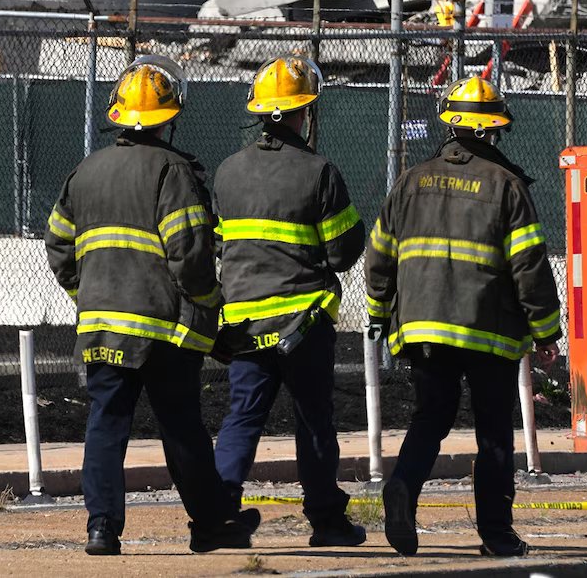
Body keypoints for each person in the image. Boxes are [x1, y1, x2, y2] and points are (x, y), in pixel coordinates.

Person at [45, 54, 259, 557]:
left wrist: (89, 295)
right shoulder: (173, 171)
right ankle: (209, 525)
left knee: (106, 425)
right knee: (181, 427)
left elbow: (58, 246)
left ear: (119, 114)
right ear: (169, 117)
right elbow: (189, 254)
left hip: (100, 328)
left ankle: (101, 529)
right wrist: (210, 311)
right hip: (163, 331)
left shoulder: (86, 170)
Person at [364, 75, 563, 558]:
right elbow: (529, 265)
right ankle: (496, 534)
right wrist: (546, 331)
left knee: (430, 417)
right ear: (494, 130)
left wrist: (377, 312)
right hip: (487, 329)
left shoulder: (411, 180)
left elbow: (379, 255)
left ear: (451, 125)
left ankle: (402, 488)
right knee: (493, 431)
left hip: (422, 327)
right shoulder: (507, 185)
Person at [212, 55, 368, 547]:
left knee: (241, 416)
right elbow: (343, 253)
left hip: (242, 323)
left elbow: (220, 246)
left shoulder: (227, 172)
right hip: (303, 322)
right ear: (305, 112)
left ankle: (218, 512)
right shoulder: (318, 172)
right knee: (313, 420)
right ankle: (326, 521)